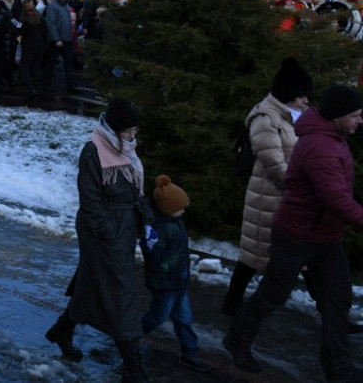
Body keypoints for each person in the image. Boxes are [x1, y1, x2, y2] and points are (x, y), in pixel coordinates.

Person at [225, 85, 363, 379]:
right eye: (355, 115)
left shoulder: (333, 136)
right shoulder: (320, 147)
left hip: (324, 235)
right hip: (297, 234)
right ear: (338, 116)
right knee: (274, 293)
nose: (359, 121)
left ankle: (338, 368)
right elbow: (336, 198)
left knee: (337, 299)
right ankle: (237, 338)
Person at [45, 98, 152, 382]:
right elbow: (90, 200)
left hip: (123, 229)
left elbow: (132, 189)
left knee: (93, 284)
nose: (132, 137)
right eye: (127, 131)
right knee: (120, 293)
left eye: (135, 131)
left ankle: (62, 330)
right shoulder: (94, 150)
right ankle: (133, 367)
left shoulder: (125, 150)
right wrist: (108, 231)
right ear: (113, 130)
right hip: (102, 232)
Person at [222, 57, 312, 315]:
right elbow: (274, 163)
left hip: (286, 199)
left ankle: (331, 313)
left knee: (308, 261)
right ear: (290, 93)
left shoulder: (293, 115)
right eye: (303, 96)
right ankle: (232, 304)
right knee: (252, 257)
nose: (307, 101)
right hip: (267, 198)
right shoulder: (266, 118)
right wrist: (303, 188)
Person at [139, 175, 210, 371]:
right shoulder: (156, 228)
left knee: (184, 318)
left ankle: (190, 353)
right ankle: (130, 337)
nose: (184, 210)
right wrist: (167, 270)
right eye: (180, 207)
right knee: (158, 316)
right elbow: (151, 253)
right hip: (165, 284)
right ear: (167, 208)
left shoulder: (174, 220)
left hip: (180, 281)